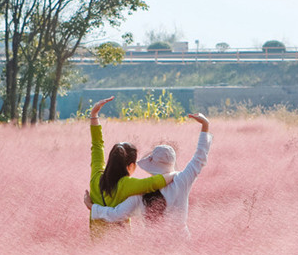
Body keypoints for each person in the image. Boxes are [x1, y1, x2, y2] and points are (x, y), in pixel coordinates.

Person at [84, 113, 212, 237]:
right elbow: (200, 158)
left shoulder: (141, 192)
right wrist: (205, 125)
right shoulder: (182, 180)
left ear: (151, 165)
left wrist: (93, 208)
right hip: (181, 241)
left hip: (153, 247)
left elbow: (116, 214)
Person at [88, 96, 176, 237]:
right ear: (130, 165)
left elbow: (97, 146)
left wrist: (94, 115)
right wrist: (176, 174)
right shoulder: (127, 184)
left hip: (96, 241)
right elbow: (154, 182)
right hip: (121, 242)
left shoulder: (96, 176)